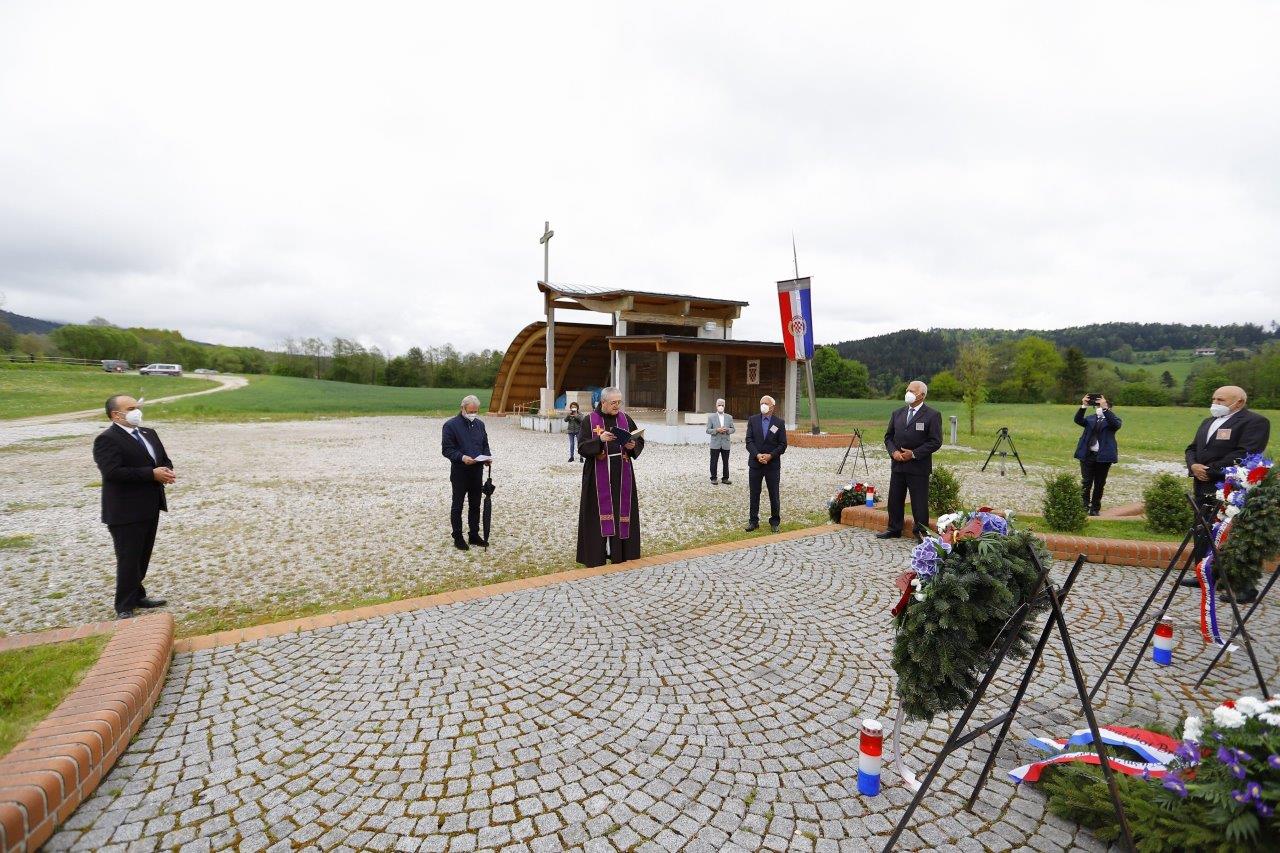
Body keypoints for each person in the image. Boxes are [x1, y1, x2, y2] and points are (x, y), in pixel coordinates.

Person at [1182, 385, 1271, 601]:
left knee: (1232, 534)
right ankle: (1205, 573)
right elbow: (1192, 448)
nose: (1215, 403)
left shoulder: (1254, 422)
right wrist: (1194, 466)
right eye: (1214, 399)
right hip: (1203, 484)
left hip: (1231, 488)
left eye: (1221, 400)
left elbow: (1246, 453)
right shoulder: (1208, 422)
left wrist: (1211, 472)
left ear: (1238, 402)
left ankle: (1242, 586)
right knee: (1203, 528)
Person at [93, 395, 173, 619]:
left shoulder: (149, 433)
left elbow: (162, 460)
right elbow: (112, 472)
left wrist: (165, 471)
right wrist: (151, 474)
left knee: (142, 555)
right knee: (128, 557)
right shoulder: (107, 439)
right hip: (125, 510)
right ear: (116, 415)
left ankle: (138, 595)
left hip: (150, 505)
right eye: (130, 408)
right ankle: (124, 605)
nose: (137, 411)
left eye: (137, 407)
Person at [576, 387, 644, 567]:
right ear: (603, 402)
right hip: (598, 477)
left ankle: (620, 553)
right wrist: (599, 441)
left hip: (622, 473)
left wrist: (632, 446)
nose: (617, 406)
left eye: (619, 402)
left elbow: (638, 440)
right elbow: (582, 447)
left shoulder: (625, 419)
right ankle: (597, 555)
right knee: (598, 515)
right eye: (613, 403)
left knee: (621, 512)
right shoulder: (589, 421)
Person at [878, 380, 943, 540]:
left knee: (919, 502)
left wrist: (913, 453)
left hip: (918, 466)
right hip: (898, 465)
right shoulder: (897, 413)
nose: (908, 393)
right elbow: (889, 437)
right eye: (907, 390)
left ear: (922, 395)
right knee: (894, 499)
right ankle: (894, 529)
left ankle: (920, 532)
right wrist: (893, 452)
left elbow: (935, 441)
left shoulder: (932, 415)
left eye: (912, 391)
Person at [441, 394, 492, 551]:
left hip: (476, 471)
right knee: (457, 505)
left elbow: (484, 444)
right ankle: (457, 536)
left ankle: (474, 535)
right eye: (470, 411)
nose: (473, 414)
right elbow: (447, 450)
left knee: (475, 505)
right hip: (460, 471)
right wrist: (462, 457)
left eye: (475, 411)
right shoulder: (450, 425)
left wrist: (487, 457)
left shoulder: (479, 425)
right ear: (462, 408)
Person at [745, 394, 787, 533]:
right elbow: (749, 441)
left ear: (772, 407)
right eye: (761, 402)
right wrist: (757, 455)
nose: (763, 405)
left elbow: (783, 444)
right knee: (754, 493)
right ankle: (753, 521)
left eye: (766, 403)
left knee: (774, 493)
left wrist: (770, 456)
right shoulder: (753, 420)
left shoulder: (779, 423)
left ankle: (775, 521)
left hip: (772, 465)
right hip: (755, 463)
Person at [1073, 395, 1121, 516]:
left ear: (1108, 408)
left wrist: (1105, 409)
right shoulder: (1090, 419)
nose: (1098, 408)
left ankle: (1095, 508)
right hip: (1088, 455)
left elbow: (1115, 425)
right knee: (1086, 482)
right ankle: (1083, 506)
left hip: (1103, 457)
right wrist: (1083, 406)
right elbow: (1078, 420)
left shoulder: (1113, 420)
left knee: (1099, 483)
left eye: (1101, 406)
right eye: (1097, 406)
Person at [706, 398, 735, 485]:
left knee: (726, 461)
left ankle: (725, 478)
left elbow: (733, 429)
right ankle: (713, 478)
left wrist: (727, 430)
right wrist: (717, 430)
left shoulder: (729, 417)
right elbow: (707, 430)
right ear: (716, 406)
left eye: (722, 405)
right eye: (719, 405)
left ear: (724, 406)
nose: (721, 407)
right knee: (714, 461)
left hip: (725, 443)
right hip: (715, 443)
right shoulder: (711, 417)